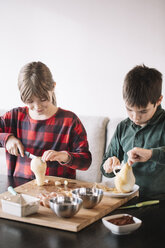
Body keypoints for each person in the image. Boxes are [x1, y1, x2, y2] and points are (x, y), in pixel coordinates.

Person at [0, 61, 92, 179]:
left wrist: (64, 157)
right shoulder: (14, 117)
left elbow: (86, 162)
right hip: (20, 192)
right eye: (30, 101)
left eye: (43, 99)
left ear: (53, 87)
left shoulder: (70, 122)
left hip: (58, 193)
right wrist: (6, 140)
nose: (37, 107)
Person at [101, 64, 165, 199]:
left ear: (158, 100)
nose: (135, 117)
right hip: (124, 198)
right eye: (129, 109)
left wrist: (151, 154)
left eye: (143, 111)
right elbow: (106, 168)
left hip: (157, 201)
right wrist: (108, 166)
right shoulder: (123, 127)